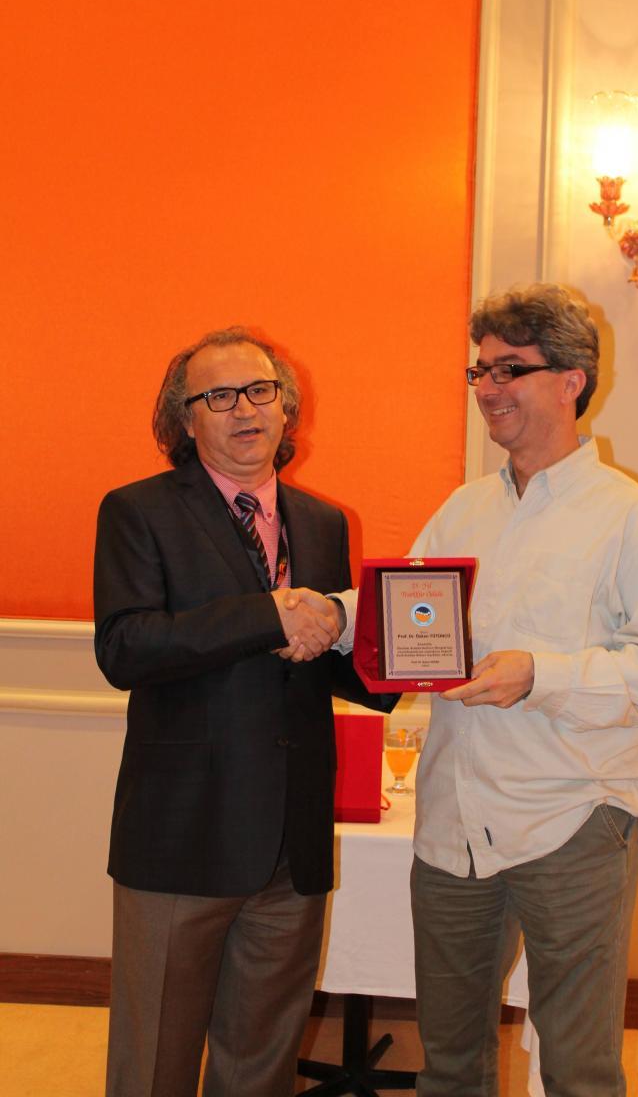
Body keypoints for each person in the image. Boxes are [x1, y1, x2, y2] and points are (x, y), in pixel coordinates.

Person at [320, 283, 638, 1096]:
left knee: (578, 1070)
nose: (488, 388)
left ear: (571, 381)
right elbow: (401, 610)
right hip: (452, 828)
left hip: (575, 819)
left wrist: (542, 674)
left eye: (510, 369)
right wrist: (333, 614)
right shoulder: (463, 510)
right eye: (480, 370)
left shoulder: (633, 517)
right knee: (449, 1066)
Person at [94, 326, 395, 1097]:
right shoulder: (138, 511)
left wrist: (403, 662)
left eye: (260, 391)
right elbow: (126, 648)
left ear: (286, 408)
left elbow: (325, 656)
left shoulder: (324, 522)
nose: (244, 409)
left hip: (291, 844)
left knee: (261, 1065)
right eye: (219, 396)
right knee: (154, 1064)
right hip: (182, 838)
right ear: (185, 418)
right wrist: (270, 615)